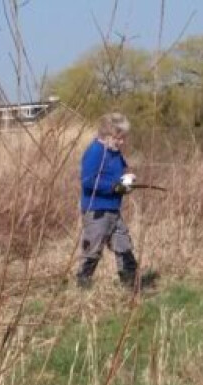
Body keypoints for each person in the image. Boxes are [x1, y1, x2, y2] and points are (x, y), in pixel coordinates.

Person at [75, 112, 143, 290]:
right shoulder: (95, 152)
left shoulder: (116, 153)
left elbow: (118, 177)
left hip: (114, 209)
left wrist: (127, 181)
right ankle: (82, 286)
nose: (122, 142)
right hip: (97, 211)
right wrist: (114, 186)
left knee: (124, 245)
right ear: (107, 136)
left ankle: (131, 287)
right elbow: (88, 181)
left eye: (124, 138)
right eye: (119, 138)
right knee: (93, 250)